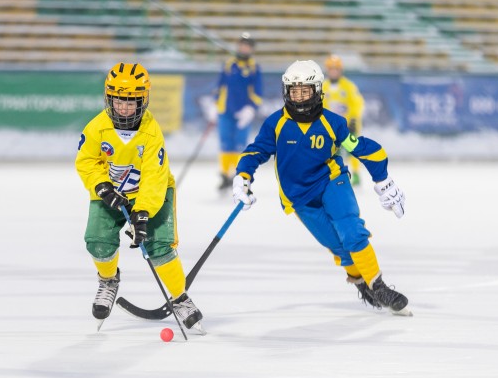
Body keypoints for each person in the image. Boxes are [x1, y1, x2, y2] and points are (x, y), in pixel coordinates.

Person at [232, 60, 410, 315]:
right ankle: (362, 282)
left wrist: (384, 181)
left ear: (316, 91)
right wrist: (243, 176)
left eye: (305, 91)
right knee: (338, 247)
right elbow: (256, 151)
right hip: (298, 197)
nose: (299, 98)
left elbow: (361, 148)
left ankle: (378, 286)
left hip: (331, 181)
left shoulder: (332, 122)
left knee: (351, 231)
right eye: (294, 92)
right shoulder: (275, 123)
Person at [75, 62, 205, 333]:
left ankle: (180, 297)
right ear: (108, 99)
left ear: (143, 101)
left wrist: (143, 212)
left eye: (131, 102)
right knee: (97, 241)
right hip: (111, 192)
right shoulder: (96, 128)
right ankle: (108, 280)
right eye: (118, 101)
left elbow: (154, 177)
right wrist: (101, 187)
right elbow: (86, 161)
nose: (124, 109)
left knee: (159, 247)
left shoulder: (151, 132)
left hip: (152, 193)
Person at [203, 32, 263, 192]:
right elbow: (220, 86)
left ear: (252, 49)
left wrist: (251, 109)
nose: (244, 48)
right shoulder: (229, 64)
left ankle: (237, 175)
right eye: (242, 45)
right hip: (225, 111)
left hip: (243, 113)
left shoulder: (254, 68)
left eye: (247, 46)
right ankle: (224, 174)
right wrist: (215, 104)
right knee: (225, 143)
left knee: (240, 144)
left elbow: (258, 93)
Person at [322, 54, 365, 186]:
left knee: (353, 149)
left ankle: (356, 173)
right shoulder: (324, 87)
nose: (334, 72)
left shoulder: (348, 86)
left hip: (348, 124)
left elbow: (357, 103)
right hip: (332, 125)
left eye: (336, 69)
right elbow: (321, 106)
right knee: (333, 151)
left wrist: (353, 120)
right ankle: (335, 174)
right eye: (331, 69)